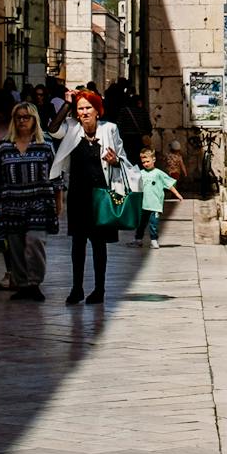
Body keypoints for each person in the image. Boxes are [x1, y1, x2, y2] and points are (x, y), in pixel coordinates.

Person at [48, 85, 130, 304]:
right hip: (78, 194)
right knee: (77, 243)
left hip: (101, 195)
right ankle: (76, 288)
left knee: (98, 244)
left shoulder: (109, 129)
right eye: (80, 109)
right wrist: (67, 104)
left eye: (88, 108)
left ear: (97, 110)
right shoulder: (72, 128)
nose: (84, 112)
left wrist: (115, 161)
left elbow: (124, 159)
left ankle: (99, 289)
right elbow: (53, 129)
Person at [0, 102, 58, 300]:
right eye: (18, 117)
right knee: (16, 244)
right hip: (12, 203)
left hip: (39, 202)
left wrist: (59, 199)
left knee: (35, 240)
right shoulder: (5, 146)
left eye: (26, 117)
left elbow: (56, 175)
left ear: (34, 120)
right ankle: (22, 284)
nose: (22, 121)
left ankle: (35, 282)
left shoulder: (45, 144)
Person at [134, 145, 181, 249]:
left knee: (153, 224)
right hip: (143, 204)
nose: (145, 164)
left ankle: (154, 240)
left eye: (147, 161)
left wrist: (177, 194)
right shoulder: (140, 173)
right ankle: (138, 238)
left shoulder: (159, 173)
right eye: (143, 162)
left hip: (155, 204)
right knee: (141, 223)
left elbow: (169, 184)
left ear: (153, 159)